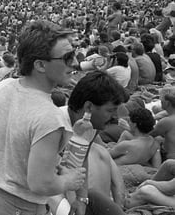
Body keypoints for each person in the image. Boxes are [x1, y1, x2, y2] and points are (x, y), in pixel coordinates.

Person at [0, 20, 86, 215]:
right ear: (40, 65)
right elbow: (40, 183)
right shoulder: (50, 117)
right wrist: (70, 180)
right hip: (20, 207)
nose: (75, 62)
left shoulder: (2, 87)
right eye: (67, 57)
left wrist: (6, 167)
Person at [47, 71, 127, 215]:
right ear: (89, 107)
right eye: (110, 110)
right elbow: (40, 182)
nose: (115, 116)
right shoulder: (53, 127)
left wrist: (81, 198)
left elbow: (82, 159)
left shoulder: (90, 127)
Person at [150, 86, 175, 160]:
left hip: (170, 158)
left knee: (153, 141)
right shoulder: (169, 117)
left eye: (161, 100)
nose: (160, 101)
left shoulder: (167, 121)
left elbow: (148, 135)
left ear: (167, 103)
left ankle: (156, 168)